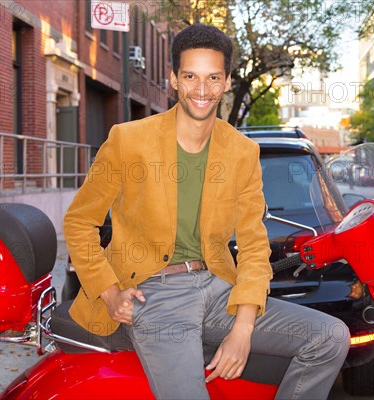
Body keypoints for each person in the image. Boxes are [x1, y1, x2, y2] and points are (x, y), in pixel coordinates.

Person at [63, 23, 350, 400]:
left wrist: (243, 329)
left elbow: (252, 245)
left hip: (217, 288)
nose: (202, 89)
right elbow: (79, 221)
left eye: (213, 77)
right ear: (173, 80)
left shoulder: (242, 152)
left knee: (330, 337)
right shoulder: (128, 141)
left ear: (227, 80)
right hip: (154, 294)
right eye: (191, 77)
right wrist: (110, 292)